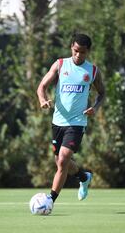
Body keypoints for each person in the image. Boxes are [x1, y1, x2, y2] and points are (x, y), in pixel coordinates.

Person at [36, 33, 105, 209]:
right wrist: (43, 101)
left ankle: (50, 200)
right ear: (71, 48)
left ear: (88, 51)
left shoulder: (93, 70)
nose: (78, 55)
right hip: (58, 121)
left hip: (77, 122)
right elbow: (42, 87)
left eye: (82, 52)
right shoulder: (60, 65)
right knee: (60, 161)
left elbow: (102, 93)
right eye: (75, 51)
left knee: (63, 159)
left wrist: (95, 108)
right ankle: (83, 177)